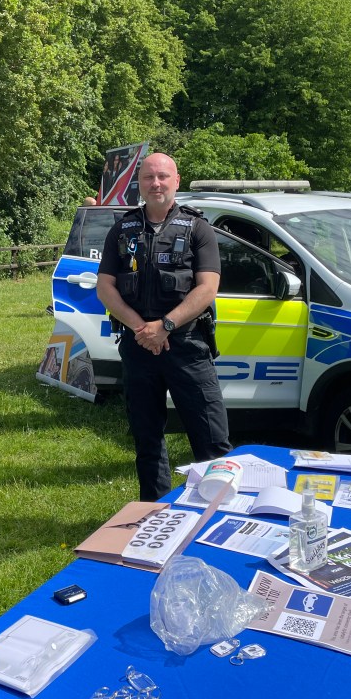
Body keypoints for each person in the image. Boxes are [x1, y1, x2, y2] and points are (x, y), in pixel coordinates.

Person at [96, 152, 231, 500]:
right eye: (148, 178)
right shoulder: (122, 228)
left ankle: (218, 513)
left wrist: (166, 326)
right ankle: (154, 516)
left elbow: (207, 288)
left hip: (187, 347)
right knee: (147, 439)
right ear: (139, 183)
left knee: (212, 439)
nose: (155, 184)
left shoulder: (198, 228)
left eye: (162, 177)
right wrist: (143, 328)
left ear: (176, 181)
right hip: (139, 347)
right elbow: (105, 286)